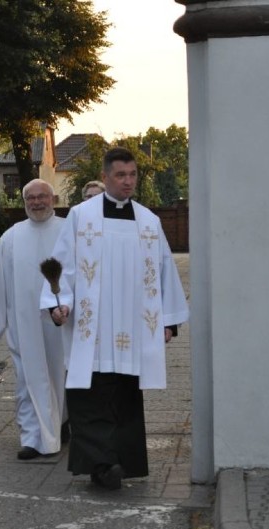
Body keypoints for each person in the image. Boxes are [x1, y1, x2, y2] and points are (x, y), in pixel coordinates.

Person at [41, 147, 189, 489]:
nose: (128, 181)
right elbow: (62, 263)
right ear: (106, 177)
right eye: (121, 175)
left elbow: (164, 270)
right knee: (90, 395)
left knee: (125, 395)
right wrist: (57, 302)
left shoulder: (149, 221)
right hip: (92, 326)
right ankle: (101, 465)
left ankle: (124, 461)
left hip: (133, 326)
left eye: (133, 175)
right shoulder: (82, 216)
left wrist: (168, 321)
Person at [0, 179, 68, 460]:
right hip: (23, 324)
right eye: (30, 198)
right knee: (27, 379)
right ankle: (32, 438)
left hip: (61, 323)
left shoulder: (67, 232)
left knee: (61, 377)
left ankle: (61, 424)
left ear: (53, 198)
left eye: (42, 197)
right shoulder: (11, 237)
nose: (36, 202)